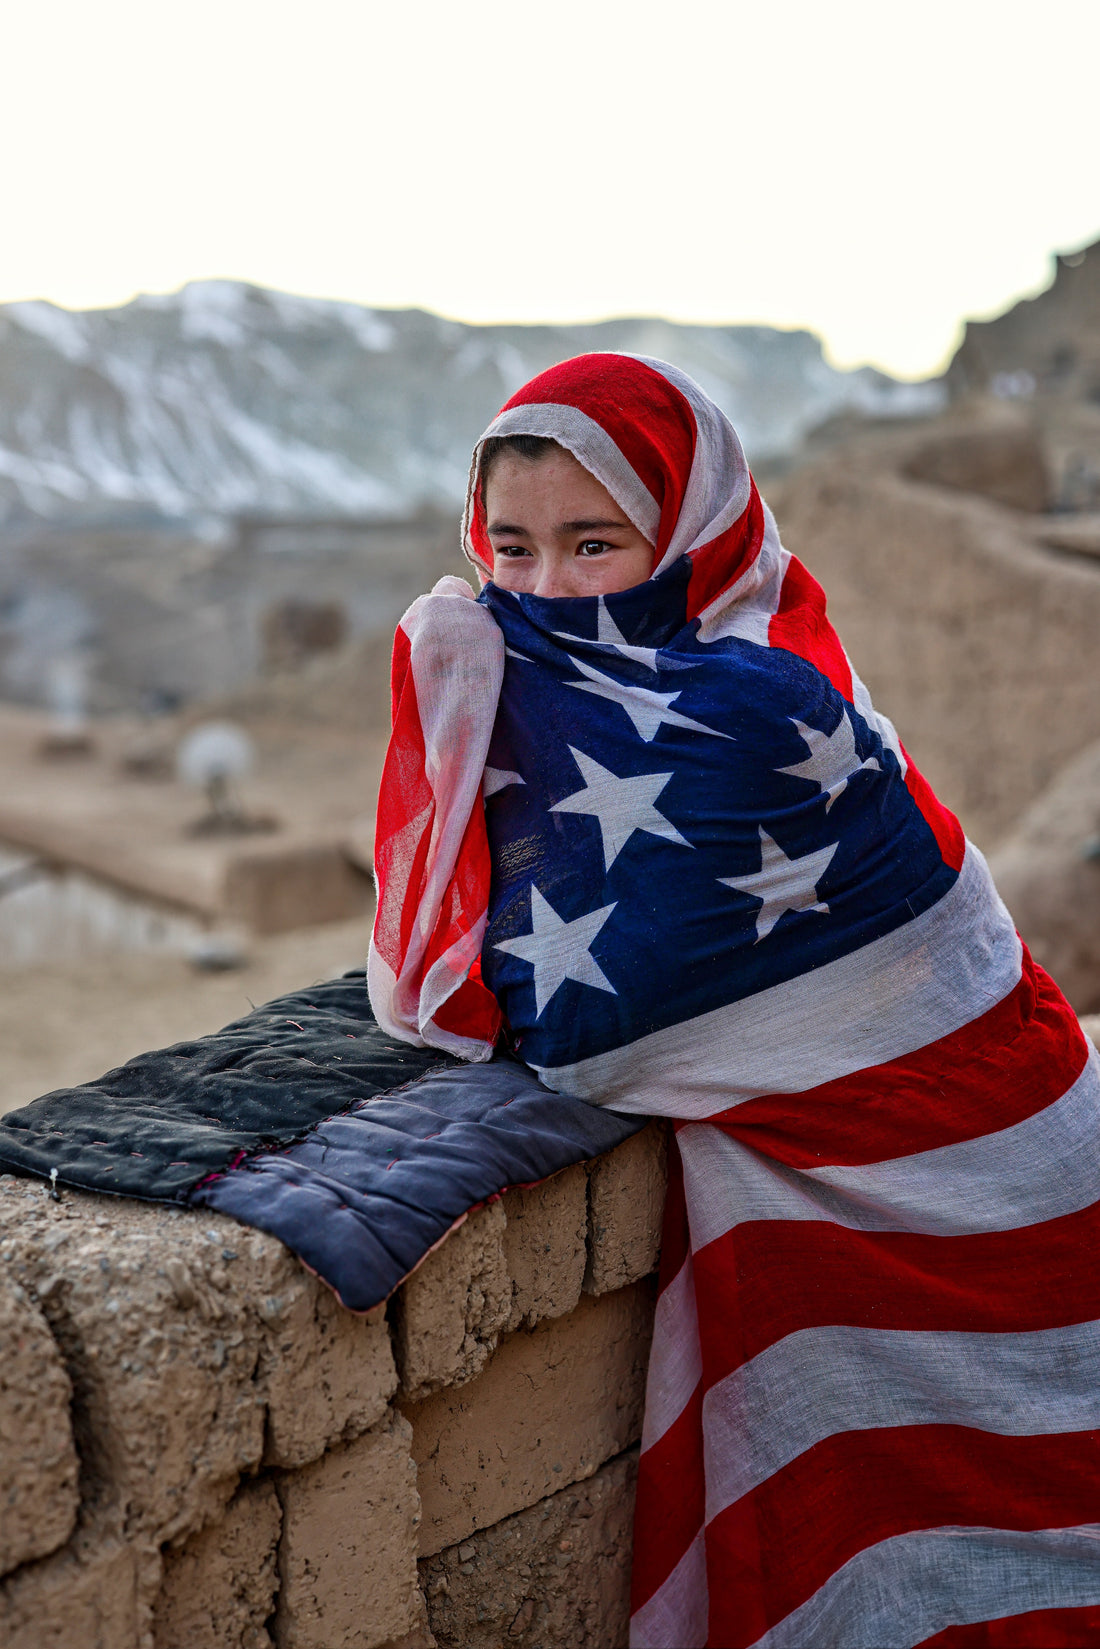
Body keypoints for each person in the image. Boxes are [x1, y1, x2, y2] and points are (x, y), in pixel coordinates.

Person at [369, 353, 1100, 1649]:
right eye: (513, 548)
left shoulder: (762, 711)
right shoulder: (559, 702)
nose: (541, 591)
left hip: (1003, 1196)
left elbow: (580, 1026)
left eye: (595, 543)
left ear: (695, 536)